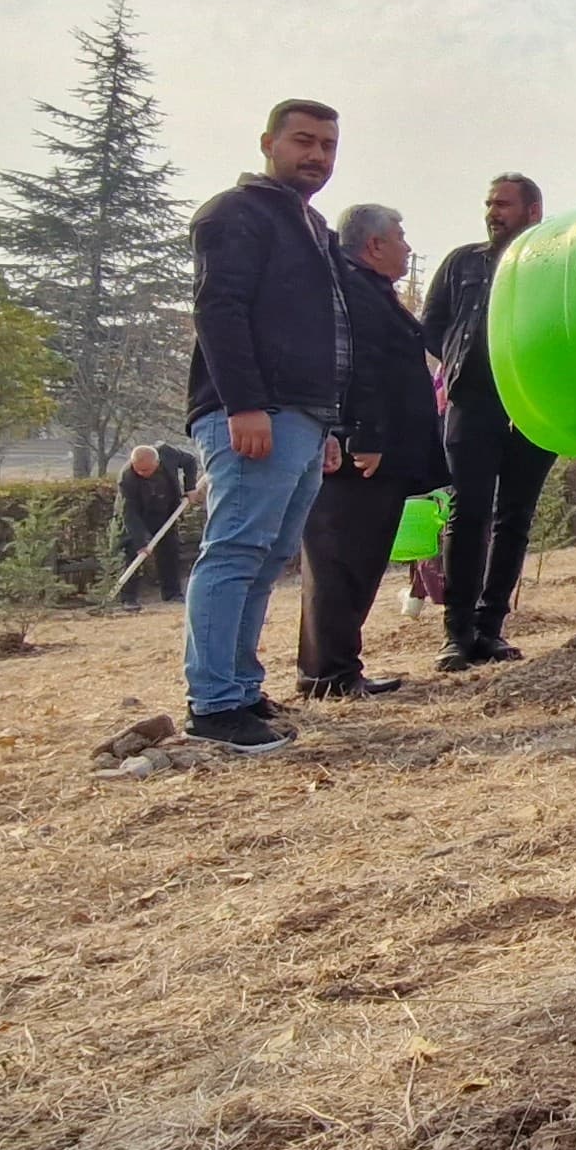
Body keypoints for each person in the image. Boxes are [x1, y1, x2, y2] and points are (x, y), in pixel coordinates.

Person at [181, 99, 350, 754]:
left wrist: (328, 423)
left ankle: (242, 687)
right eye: (303, 140)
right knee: (235, 550)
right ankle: (214, 703)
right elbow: (218, 309)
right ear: (267, 142)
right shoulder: (235, 214)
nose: (316, 155)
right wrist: (244, 403)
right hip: (255, 412)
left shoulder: (311, 225)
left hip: (304, 417)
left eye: (328, 146)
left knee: (268, 555)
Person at [296, 203, 445, 698]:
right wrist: (366, 436)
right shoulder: (351, 294)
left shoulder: (373, 291)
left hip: (382, 455)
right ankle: (329, 674)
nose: (407, 246)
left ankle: (338, 668)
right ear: (374, 245)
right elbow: (358, 367)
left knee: (358, 564)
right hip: (359, 456)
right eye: (400, 237)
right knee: (340, 563)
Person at [421, 174, 557, 672]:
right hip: (473, 403)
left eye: (503, 204)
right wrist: (463, 361)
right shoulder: (462, 262)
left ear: (533, 211)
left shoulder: (555, 260)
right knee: (468, 513)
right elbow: (433, 323)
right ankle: (456, 635)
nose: (492, 212)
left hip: (535, 405)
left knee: (515, 517)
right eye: (489, 204)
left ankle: (489, 628)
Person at [111, 441, 200, 607]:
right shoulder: (127, 477)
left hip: (165, 511)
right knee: (132, 552)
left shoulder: (169, 453)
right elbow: (129, 512)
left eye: (145, 470)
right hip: (138, 516)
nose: (140, 472)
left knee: (170, 551)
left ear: (157, 462)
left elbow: (190, 461)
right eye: (137, 469)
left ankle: (172, 594)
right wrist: (140, 542)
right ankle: (128, 599)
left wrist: (191, 487)